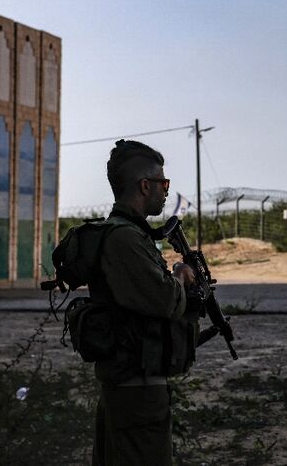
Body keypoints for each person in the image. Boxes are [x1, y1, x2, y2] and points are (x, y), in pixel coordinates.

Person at [91, 139, 199, 466]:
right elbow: (166, 301)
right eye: (162, 183)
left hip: (133, 388)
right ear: (144, 185)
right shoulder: (124, 237)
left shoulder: (130, 234)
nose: (166, 190)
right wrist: (182, 277)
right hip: (135, 393)